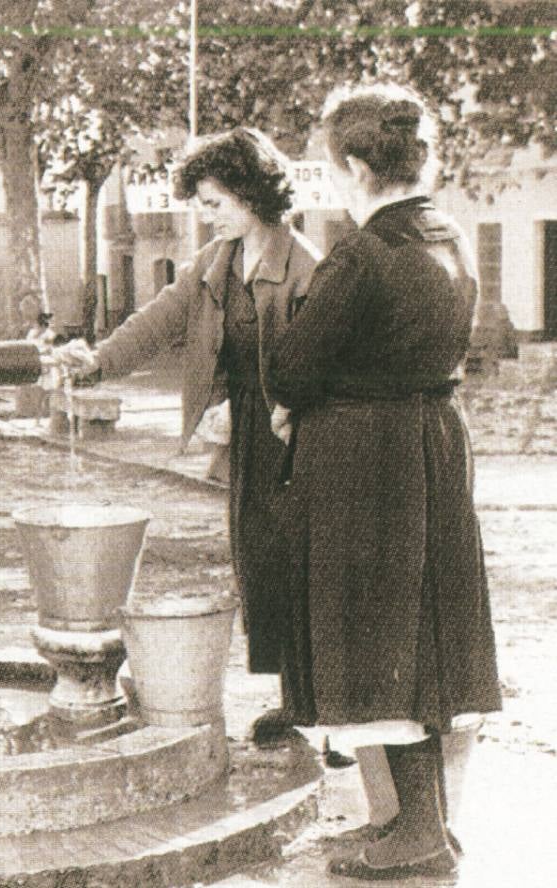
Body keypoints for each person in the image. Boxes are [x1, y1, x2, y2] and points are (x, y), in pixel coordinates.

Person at [264, 84, 500, 880]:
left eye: (334, 169)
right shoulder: (448, 239)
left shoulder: (362, 254)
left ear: (358, 166)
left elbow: (290, 365)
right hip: (431, 446)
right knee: (423, 638)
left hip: (366, 462)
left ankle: (416, 835)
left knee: (374, 640)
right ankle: (407, 820)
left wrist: (294, 408)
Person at [55, 128, 322, 747]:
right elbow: (158, 321)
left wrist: (279, 406)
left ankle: (323, 706)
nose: (205, 214)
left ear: (253, 193)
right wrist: (95, 362)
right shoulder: (214, 262)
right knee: (258, 563)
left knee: (302, 564)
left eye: (214, 202)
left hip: (302, 433)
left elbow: (324, 365)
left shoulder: (305, 264)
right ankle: (291, 700)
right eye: (200, 203)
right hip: (248, 435)